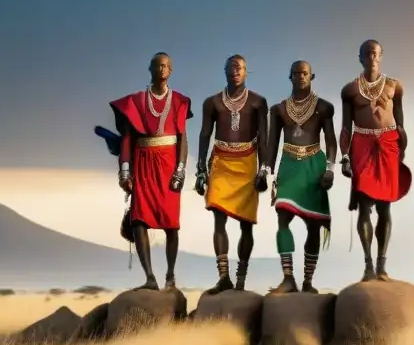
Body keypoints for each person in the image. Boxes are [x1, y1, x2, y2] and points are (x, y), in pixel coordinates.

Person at [109, 52, 193, 291]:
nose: (161, 69)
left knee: (171, 223)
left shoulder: (179, 101)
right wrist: (125, 171)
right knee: (139, 219)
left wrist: (180, 169)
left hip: (168, 164)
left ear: (171, 70)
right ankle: (149, 278)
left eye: (166, 66)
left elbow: (182, 138)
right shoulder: (135, 101)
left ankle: (170, 276)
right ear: (150, 68)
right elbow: (127, 139)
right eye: (157, 65)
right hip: (143, 164)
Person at [195, 55, 270, 294]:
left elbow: (265, 138)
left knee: (246, 225)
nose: (235, 71)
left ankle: (240, 280)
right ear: (224, 71)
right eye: (231, 68)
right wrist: (200, 169)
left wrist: (264, 169)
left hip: (247, 163)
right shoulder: (212, 103)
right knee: (218, 217)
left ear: (247, 72)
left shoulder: (258, 102)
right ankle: (223, 277)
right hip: (221, 162)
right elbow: (205, 134)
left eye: (240, 68)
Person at [339, 40, 412, 282]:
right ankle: (368, 266)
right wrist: (345, 156)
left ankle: (382, 265)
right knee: (363, 203)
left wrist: (402, 146)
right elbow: (345, 127)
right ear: (360, 57)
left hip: (388, 145)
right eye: (367, 53)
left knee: (385, 206)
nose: (372, 56)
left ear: (381, 56)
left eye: (375, 53)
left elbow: (400, 123)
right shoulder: (350, 90)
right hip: (361, 144)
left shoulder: (394, 86)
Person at [265, 61, 338, 294]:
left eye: (304, 73)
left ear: (311, 76)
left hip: (314, 164)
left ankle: (307, 281)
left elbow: (332, 140)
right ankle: (288, 278)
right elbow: (272, 143)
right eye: (296, 73)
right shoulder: (278, 110)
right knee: (282, 216)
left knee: (313, 225)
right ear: (290, 77)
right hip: (288, 164)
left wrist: (330, 169)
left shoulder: (324, 107)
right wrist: (265, 170)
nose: (300, 77)